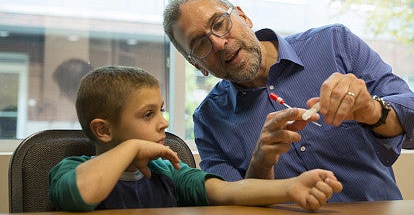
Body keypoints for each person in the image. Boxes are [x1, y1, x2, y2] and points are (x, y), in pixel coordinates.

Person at [162, 0, 414, 202]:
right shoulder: (209, 121)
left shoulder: (334, 43)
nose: (219, 43)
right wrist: (261, 163)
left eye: (220, 23)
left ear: (243, 17)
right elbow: (233, 206)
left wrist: (371, 110)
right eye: (200, 45)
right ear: (198, 65)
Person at [49, 65, 343, 212]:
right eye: (148, 114)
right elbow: (84, 192)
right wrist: (133, 146)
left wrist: (290, 187)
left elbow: (229, 191)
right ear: (103, 130)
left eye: (161, 111)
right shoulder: (70, 169)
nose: (164, 122)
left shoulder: (168, 172)